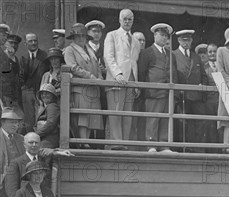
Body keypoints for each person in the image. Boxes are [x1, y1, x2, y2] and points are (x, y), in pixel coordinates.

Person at [103, 9, 141, 143]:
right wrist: (117, 74)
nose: (127, 21)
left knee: (127, 114)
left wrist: (136, 82)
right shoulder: (112, 35)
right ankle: (116, 143)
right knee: (116, 112)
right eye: (124, 18)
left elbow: (134, 62)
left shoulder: (136, 41)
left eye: (130, 19)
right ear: (119, 20)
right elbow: (108, 57)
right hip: (116, 80)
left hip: (130, 80)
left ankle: (125, 143)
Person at [138, 23, 177, 151]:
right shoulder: (146, 52)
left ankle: (164, 144)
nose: (164, 38)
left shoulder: (170, 54)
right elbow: (142, 73)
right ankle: (152, 144)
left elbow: (174, 73)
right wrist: (145, 91)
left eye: (166, 36)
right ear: (155, 35)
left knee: (166, 119)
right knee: (152, 119)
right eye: (161, 35)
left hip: (167, 93)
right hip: (153, 93)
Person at [63, 23, 103, 141]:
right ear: (73, 38)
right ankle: (82, 141)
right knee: (83, 117)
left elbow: (97, 66)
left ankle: (86, 141)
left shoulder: (90, 50)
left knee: (92, 117)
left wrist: (99, 77)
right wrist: (90, 76)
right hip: (81, 87)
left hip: (93, 87)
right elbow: (73, 67)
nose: (81, 39)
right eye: (78, 36)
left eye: (83, 36)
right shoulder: (69, 50)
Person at [173, 30, 208, 149]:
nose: (186, 42)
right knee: (182, 123)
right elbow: (173, 75)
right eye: (184, 40)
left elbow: (204, 76)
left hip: (196, 96)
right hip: (182, 96)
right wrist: (178, 92)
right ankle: (184, 148)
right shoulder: (173, 54)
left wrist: (201, 87)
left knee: (199, 122)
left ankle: (198, 149)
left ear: (192, 41)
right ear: (178, 40)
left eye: (188, 40)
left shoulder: (196, 57)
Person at [20, 33, 48, 132]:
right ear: (25, 43)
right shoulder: (23, 57)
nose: (33, 43)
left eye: (35, 40)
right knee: (28, 119)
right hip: (27, 92)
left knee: (39, 117)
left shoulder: (44, 56)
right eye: (30, 41)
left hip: (40, 92)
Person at [200, 43, 219, 144]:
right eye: (210, 52)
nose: (212, 54)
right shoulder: (204, 66)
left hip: (222, 99)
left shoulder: (222, 65)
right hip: (209, 100)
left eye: (214, 51)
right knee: (210, 124)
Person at [34, 83, 60, 148]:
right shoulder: (46, 107)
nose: (44, 95)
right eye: (42, 94)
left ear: (53, 96)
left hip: (49, 139)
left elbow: (50, 124)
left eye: (47, 93)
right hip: (44, 137)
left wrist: (36, 134)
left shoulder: (52, 106)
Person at [1, 34, 23, 108]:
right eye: (11, 43)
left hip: (15, 93)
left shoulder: (16, 59)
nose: (13, 45)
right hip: (4, 94)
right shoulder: (2, 57)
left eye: (16, 43)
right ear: (6, 44)